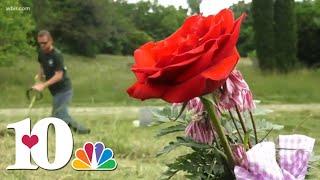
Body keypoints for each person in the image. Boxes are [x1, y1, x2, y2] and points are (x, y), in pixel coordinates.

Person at [32, 30, 90, 134]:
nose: (42, 45)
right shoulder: (41, 53)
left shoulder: (57, 55)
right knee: (57, 115)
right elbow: (42, 66)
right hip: (55, 91)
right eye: (40, 43)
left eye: (45, 43)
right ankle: (60, 132)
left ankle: (81, 130)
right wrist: (39, 79)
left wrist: (43, 85)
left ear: (51, 41)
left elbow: (59, 75)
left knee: (60, 114)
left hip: (64, 90)